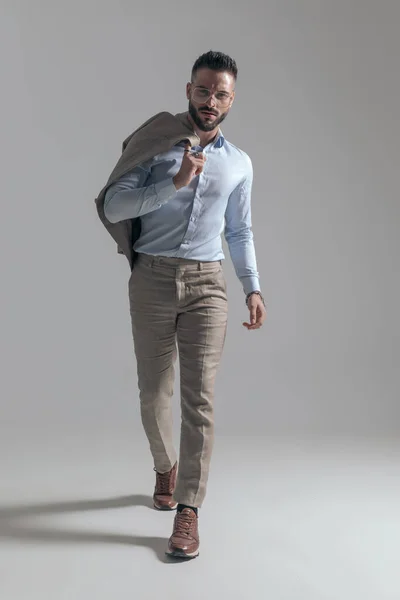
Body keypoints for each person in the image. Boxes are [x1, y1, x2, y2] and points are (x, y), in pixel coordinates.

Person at [102, 50, 266, 559]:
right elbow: (113, 204)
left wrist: (252, 286)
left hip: (207, 285)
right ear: (188, 90)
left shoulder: (239, 164)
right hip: (151, 279)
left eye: (221, 94)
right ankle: (163, 465)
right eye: (203, 90)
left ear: (231, 100)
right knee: (154, 395)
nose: (210, 101)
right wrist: (172, 182)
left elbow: (239, 230)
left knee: (199, 401)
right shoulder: (156, 144)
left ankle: (188, 510)